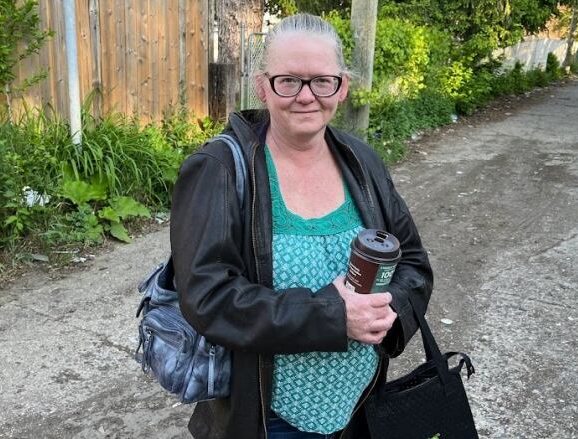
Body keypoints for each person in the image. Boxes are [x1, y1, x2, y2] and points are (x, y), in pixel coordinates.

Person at [170, 13, 432, 439]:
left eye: (321, 81)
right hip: (267, 419)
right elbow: (206, 295)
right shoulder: (218, 169)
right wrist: (333, 316)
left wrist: (389, 314)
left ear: (342, 87)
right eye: (288, 81)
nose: (306, 96)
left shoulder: (361, 162)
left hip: (360, 408)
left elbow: (414, 263)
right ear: (262, 86)